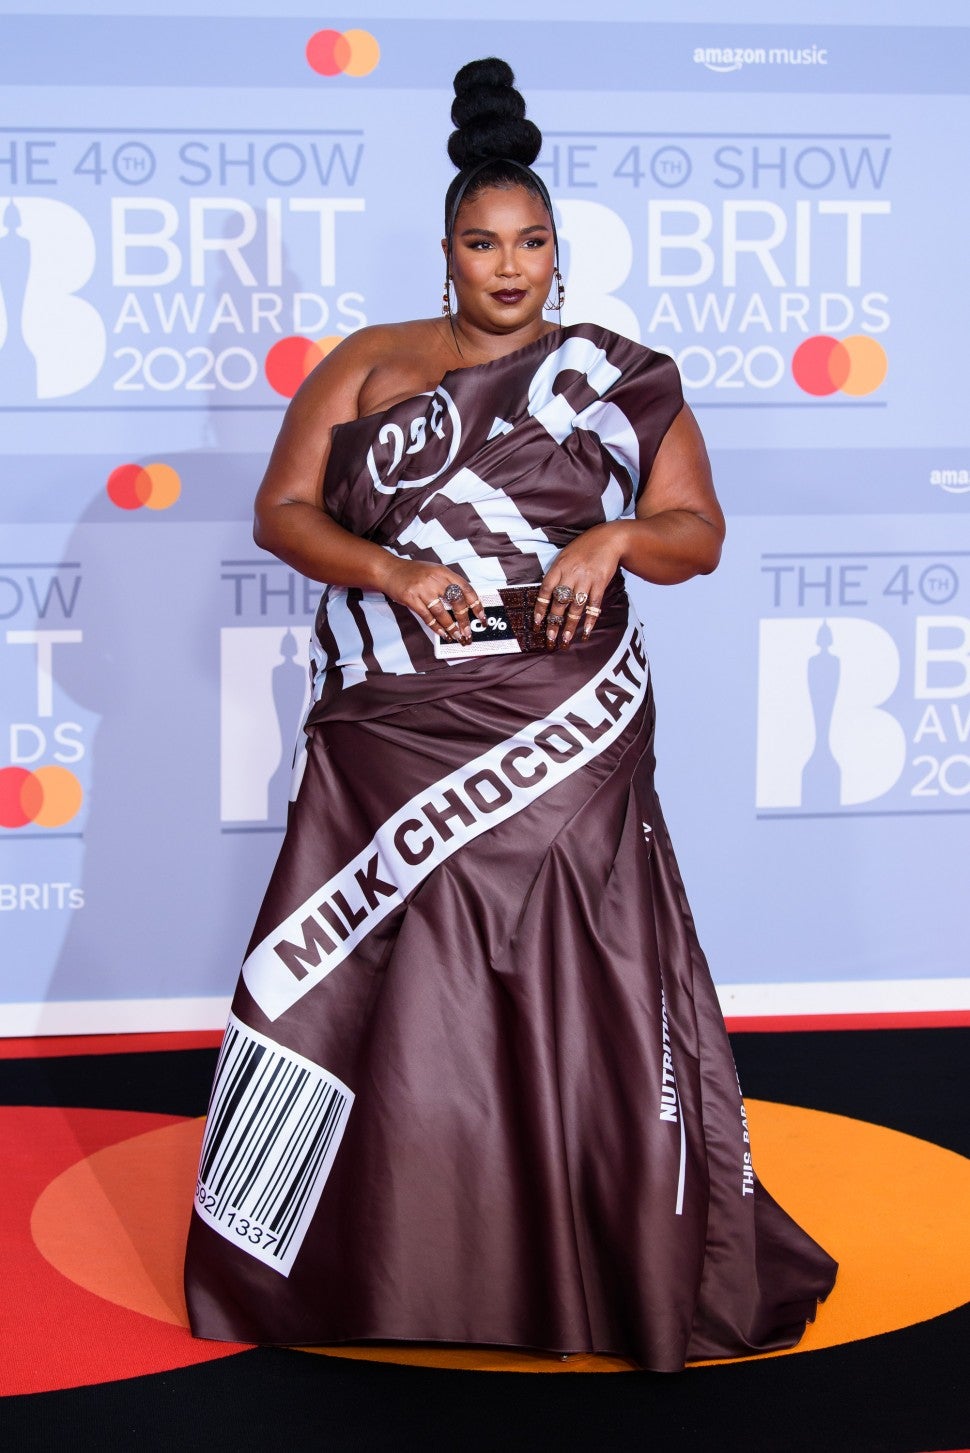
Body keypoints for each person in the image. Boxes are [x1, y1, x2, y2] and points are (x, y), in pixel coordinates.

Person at [184, 57, 837, 1372]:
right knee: (375, 978)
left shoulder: (615, 377)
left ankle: (593, 1262)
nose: (508, 266)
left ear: (557, 251)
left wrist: (615, 538)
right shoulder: (368, 362)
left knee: (573, 973)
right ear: (446, 254)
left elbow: (697, 533)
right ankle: (355, 1261)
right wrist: (391, 573)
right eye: (483, 243)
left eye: (530, 242)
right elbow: (282, 512)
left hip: (561, 720)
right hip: (389, 723)